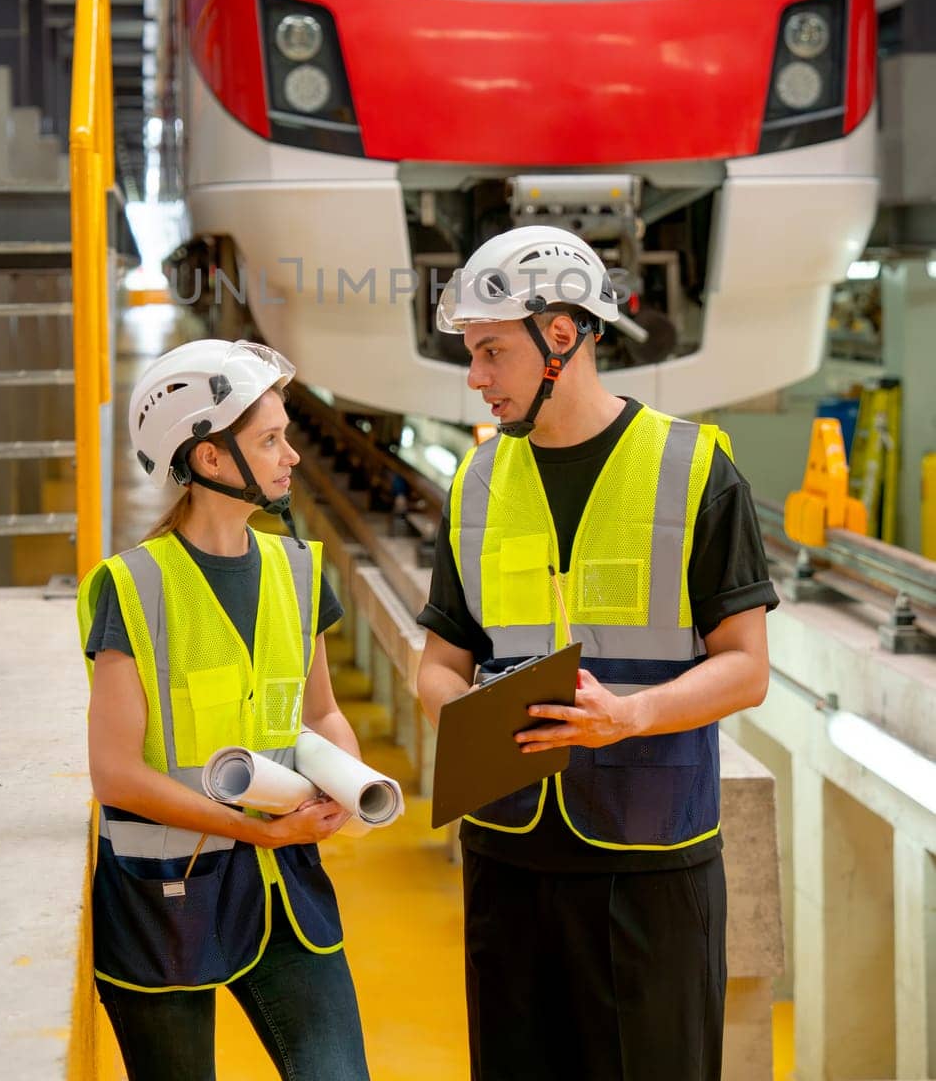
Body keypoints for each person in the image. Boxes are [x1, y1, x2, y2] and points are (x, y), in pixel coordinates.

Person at [416, 226, 778, 1081]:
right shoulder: (474, 482)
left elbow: (747, 666)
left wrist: (632, 715)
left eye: (491, 352)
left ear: (563, 336)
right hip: (506, 857)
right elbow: (438, 664)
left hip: (648, 862)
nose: (475, 377)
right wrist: (466, 721)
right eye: (471, 353)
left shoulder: (695, 469)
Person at [77, 338, 371, 1081]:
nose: (291, 456)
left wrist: (347, 779)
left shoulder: (297, 570)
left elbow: (322, 714)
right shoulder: (131, 586)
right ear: (209, 459)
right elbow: (115, 774)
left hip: (285, 898)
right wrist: (253, 832)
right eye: (270, 439)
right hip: (165, 906)